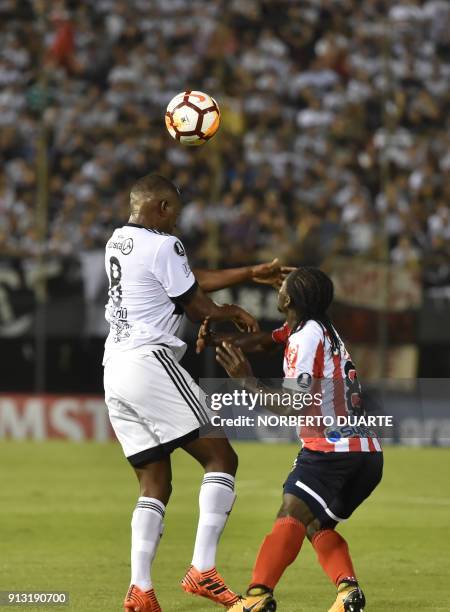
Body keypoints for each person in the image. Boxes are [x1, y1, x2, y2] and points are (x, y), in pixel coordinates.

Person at [103, 174, 290, 612]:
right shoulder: (164, 244)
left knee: (155, 482)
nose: (178, 223)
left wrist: (249, 272)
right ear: (163, 209)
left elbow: (188, 279)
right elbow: (199, 303)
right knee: (221, 458)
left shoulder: (119, 241)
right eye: (176, 213)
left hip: (115, 369)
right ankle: (203, 569)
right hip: (151, 362)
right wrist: (231, 311)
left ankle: (141, 589)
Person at [198, 267, 383, 612]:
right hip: (367, 453)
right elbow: (264, 342)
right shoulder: (316, 329)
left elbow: (294, 405)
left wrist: (247, 381)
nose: (277, 289)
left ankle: (257, 597)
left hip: (331, 448)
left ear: (287, 299)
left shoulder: (305, 337)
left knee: (291, 511)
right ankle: (347, 593)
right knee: (315, 524)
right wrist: (217, 340)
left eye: (281, 287)